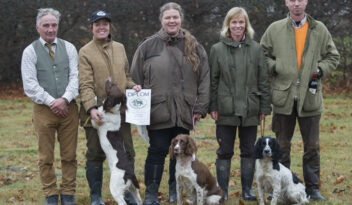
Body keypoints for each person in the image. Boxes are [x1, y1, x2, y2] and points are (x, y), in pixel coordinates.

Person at [130, 2, 210, 204]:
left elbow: (205, 79)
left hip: (184, 110)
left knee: (181, 155)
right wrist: (136, 98)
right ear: (161, 20)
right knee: (156, 152)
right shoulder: (147, 46)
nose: (172, 20)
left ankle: (175, 192)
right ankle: (151, 194)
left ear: (181, 19)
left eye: (175, 17)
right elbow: (134, 78)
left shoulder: (194, 47)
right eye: (168, 17)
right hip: (158, 111)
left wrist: (200, 108)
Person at [260, 0, 340, 201]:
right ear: (287, 3)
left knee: (312, 146)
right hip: (283, 97)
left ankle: (312, 188)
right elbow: (261, 54)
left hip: (310, 98)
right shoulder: (274, 29)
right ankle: (280, 189)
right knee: (282, 146)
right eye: (292, 0)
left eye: (301, 0)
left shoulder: (319, 29)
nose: (297, 4)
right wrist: (275, 66)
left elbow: (333, 56)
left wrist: (320, 70)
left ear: (306, 2)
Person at [78, 10, 141, 205]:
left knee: (127, 152)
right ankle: (96, 197)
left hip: (120, 114)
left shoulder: (120, 48)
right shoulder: (85, 52)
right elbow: (85, 84)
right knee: (95, 154)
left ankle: (128, 193)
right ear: (92, 28)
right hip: (98, 114)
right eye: (97, 24)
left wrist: (133, 86)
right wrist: (91, 107)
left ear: (109, 27)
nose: (102, 27)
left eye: (105, 24)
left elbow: (126, 76)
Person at [209, 7, 271, 201]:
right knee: (224, 151)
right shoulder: (217, 49)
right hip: (225, 108)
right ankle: (223, 190)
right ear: (228, 25)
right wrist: (213, 106)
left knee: (249, 149)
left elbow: (263, 80)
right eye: (234, 22)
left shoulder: (256, 48)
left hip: (251, 108)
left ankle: (247, 190)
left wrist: (264, 107)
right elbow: (213, 81)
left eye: (241, 22)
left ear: (246, 25)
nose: (238, 26)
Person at [21, 8, 79, 205]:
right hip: (43, 111)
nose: (50, 29)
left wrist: (64, 99)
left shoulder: (69, 48)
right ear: (38, 27)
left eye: (54, 25)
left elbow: (75, 77)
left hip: (69, 109)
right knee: (45, 157)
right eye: (46, 25)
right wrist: (52, 102)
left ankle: (69, 194)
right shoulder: (30, 51)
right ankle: (51, 195)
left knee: (69, 155)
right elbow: (30, 84)